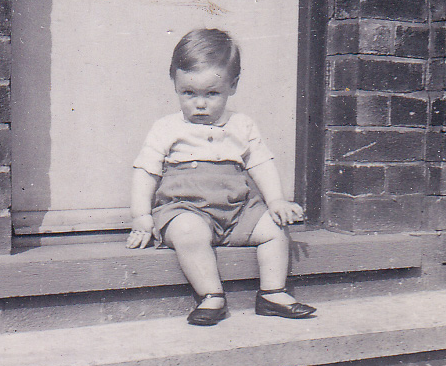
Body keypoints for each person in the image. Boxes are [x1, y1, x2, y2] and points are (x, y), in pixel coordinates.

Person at [126, 29, 316, 326]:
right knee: (189, 233)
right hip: (186, 209)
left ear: (233, 86)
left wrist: (276, 200)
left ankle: (272, 293)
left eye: (212, 94)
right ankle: (211, 295)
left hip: (239, 211)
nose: (199, 104)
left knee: (274, 229)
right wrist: (141, 215)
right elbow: (146, 170)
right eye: (188, 93)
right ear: (175, 85)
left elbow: (261, 162)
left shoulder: (242, 125)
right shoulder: (167, 127)